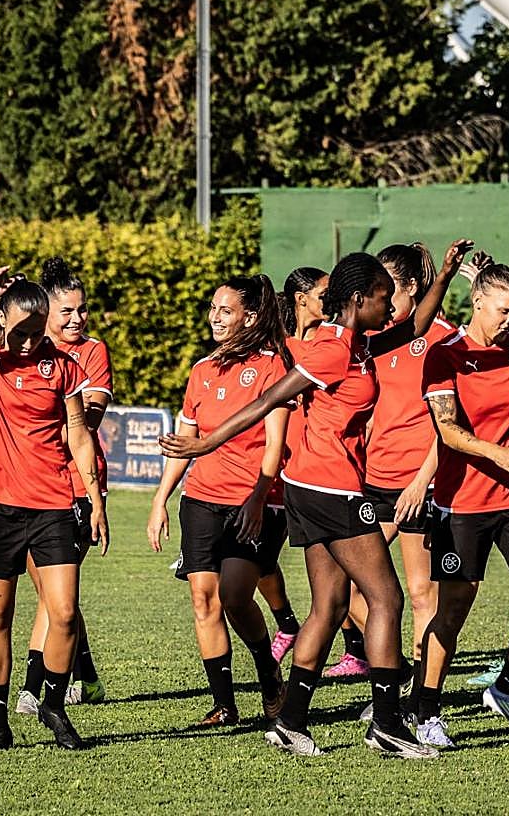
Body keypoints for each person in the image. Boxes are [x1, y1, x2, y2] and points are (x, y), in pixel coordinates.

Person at [160, 245, 467, 759]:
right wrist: (202, 446)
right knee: (387, 600)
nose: (390, 308)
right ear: (356, 299)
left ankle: (291, 721)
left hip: (308, 486)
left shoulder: (357, 341)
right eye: (383, 298)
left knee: (329, 605)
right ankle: (389, 723)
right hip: (332, 488)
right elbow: (267, 400)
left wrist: (448, 275)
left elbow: (416, 326)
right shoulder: (332, 351)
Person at [0, 268, 108, 751]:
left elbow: (79, 434)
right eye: (21, 332)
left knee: (63, 613)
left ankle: (52, 707)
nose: (30, 342)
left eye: (38, 332)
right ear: (0, 320)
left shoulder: (61, 365)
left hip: (54, 505)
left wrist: (94, 498)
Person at [417, 262, 509, 748]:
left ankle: (507, 687)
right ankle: (425, 709)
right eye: (504, 310)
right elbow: (447, 431)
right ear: (478, 301)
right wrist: (496, 452)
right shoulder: (445, 356)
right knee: (454, 608)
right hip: (461, 503)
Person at [146, 276, 291, 727]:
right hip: (202, 500)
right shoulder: (202, 370)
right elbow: (185, 441)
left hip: (256, 503)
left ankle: (268, 674)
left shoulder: (272, 367)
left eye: (225, 310)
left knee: (233, 595)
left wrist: (257, 497)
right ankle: (224, 704)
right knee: (202, 601)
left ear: (249, 317)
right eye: (213, 308)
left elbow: (275, 444)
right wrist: (161, 499)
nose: (215, 317)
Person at [340, 244, 454, 701]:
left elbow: (449, 424)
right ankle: (403, 672)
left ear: (409, 287)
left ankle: (421, 699)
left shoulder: (442, 337)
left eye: (387, 290)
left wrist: (421, 480)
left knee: (423, 592)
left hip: (419, 482)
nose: (381, 300)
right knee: (349, 595)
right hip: (374, 479)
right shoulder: (375, 338)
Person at [15, 257, 112, 716]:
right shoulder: (25, 352)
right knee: (55, 597)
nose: (78, 320)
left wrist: (46, 419)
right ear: (44, 316)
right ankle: (87, 678)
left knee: (54, 594)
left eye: (82, 309)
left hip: (76, 485)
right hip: (29, 485)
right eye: (66, 312)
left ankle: (33, 689)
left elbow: (88, 415)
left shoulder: (92, 351)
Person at [262, 267, 328, 664]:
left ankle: (359, 652)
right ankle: (287, 623)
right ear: (301, 299)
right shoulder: (280, 348)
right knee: (260, 561)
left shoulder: (333, 344)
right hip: (280, 468)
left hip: (317, 471)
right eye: (324, 292)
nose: (331, 299)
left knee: (336, 573)